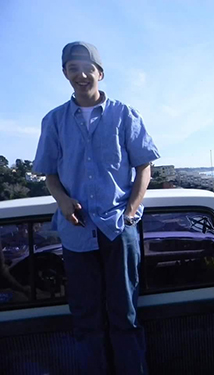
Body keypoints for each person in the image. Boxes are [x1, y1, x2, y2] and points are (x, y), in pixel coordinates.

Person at [33, 41, 160, 374]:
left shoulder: (124, 114)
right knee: (86, 319)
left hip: (119, 227)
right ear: (65, 74)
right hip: (76, 232)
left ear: (100, 73)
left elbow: (144, 168)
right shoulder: (54, 120)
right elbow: (49, 172)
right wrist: (62, 200)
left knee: (126, 315)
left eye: (87, 67)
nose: (81, 74)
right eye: (72, 68)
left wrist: (131, 211)